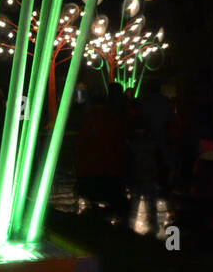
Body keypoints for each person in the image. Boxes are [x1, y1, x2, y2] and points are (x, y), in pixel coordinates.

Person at [124, 80, 173, 235]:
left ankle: (131, 225)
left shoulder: (142, 105)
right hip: (156, 150)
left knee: (137, 196)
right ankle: (154, 225)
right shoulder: (165, 104)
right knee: (150, 193)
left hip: (142, 157)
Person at [74, 88, 127, 219]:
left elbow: (82, 142)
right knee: (110, 195)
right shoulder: (113, 117)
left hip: (91, 165)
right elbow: (119, 139)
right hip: (110, 165)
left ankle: (94, 218)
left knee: (93, 194)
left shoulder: (89, 118)